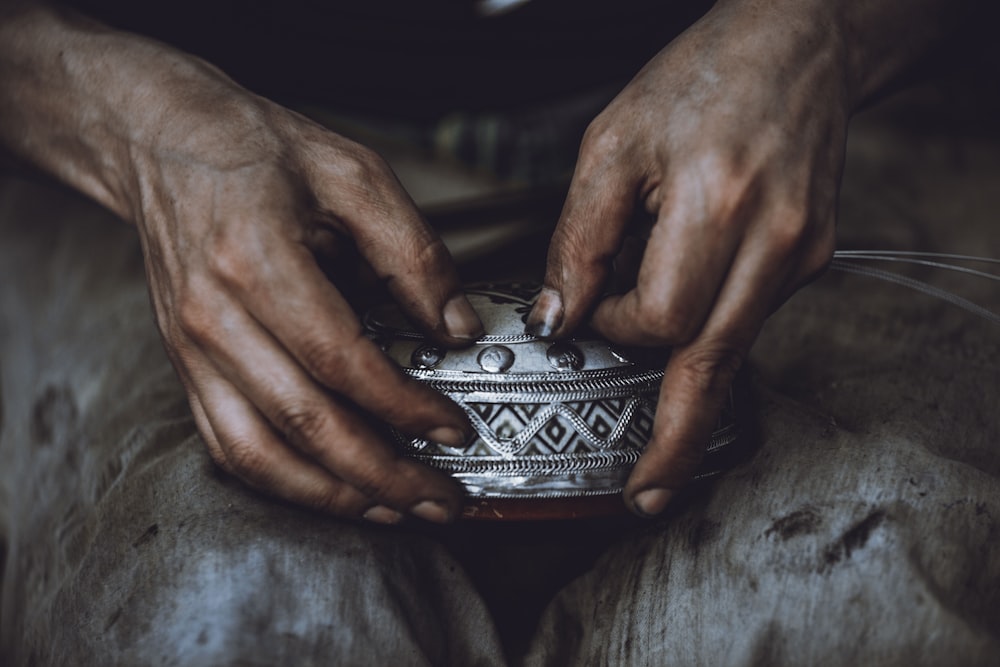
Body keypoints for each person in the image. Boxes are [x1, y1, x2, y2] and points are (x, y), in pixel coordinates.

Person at [2, 0, 998, 664]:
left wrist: (826, 27)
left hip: (828, 120)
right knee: (221, 601)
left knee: (856, 581)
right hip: (188, 166)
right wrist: (121, 117)